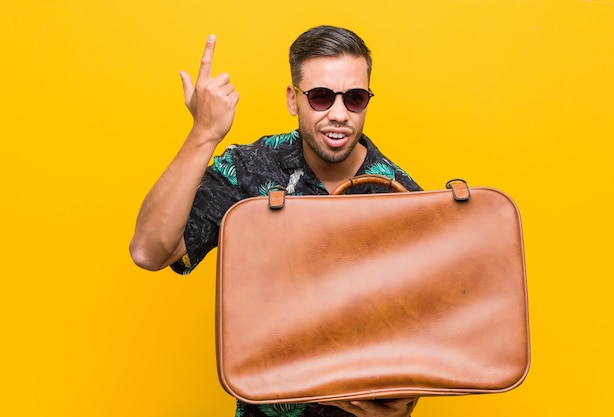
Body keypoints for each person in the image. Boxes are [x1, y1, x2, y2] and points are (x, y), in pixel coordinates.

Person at [130, 25, 421, 417]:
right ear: (292, 99)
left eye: (354, 98)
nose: (339, 114)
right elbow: (150, 250)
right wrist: (203, 134)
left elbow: (422, 325)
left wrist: (405, 400)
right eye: (320, 97)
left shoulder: (401, 196)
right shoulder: (249, 170)